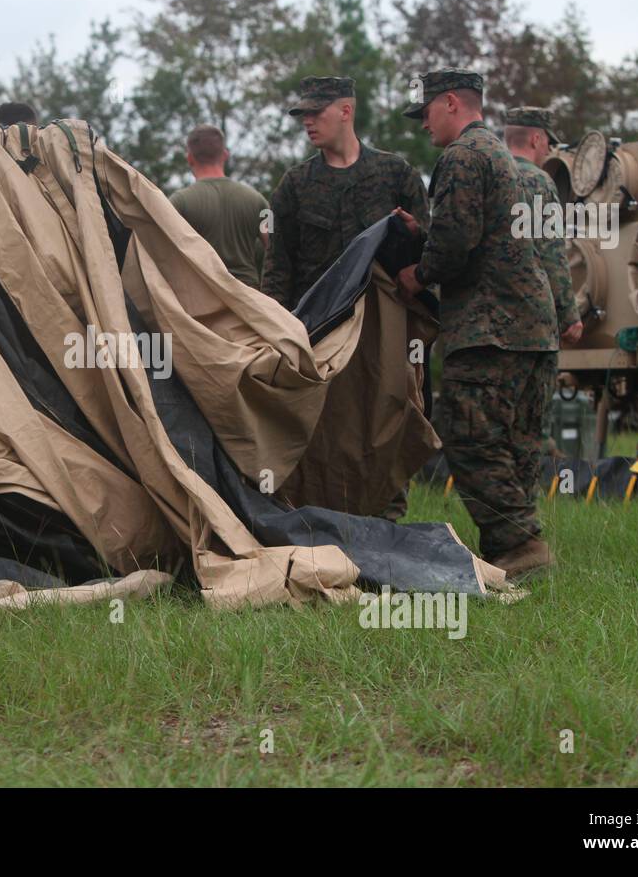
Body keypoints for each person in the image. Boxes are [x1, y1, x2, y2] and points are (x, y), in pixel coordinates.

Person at [393, 69, 560, 577]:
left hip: (490, 326)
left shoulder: (462, 156)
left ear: (449, 103)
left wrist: (416, 276)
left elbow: (458, 243)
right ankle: (511, 545)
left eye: (425, 113)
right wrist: (426, 230)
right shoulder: (498, 155)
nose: (424, 125)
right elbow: (484, 231)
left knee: (466, 434)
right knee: (516, 442)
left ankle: (518, 544)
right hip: (532, 326)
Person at [262, 76, 430, 309]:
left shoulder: (396, 174)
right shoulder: (295, 184)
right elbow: (277, 269)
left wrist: (415, 234)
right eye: (304, 115)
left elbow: (429, 254)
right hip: (316, 325)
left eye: (316, 112)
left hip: (380, 317)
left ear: (345, 111)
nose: (307, 122)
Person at [503, 106, 583, 346]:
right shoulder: (540, 182)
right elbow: (552, 253)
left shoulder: (489, 174)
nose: (549, 149)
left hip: (487, 321)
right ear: (536, 139)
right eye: (548, 141)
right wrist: (569, 314)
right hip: (531, 324)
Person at [168, 125, 269, 288]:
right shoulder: (259, 202)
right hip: (249, 299)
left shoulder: (178, 203)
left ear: (189, 158)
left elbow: (164, 254)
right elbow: (277, 250)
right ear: (225, 155)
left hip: (202, 298)